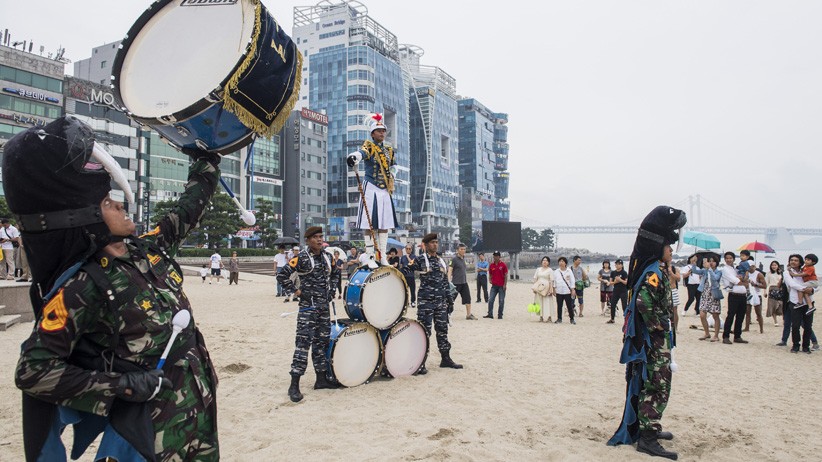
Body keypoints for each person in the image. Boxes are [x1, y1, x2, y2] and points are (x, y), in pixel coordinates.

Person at [7, 116, 220, 460]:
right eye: (107, 202)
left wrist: (206, 163)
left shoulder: (147, 249)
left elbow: (186, 210)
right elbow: (34, 370)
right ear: (84, 215)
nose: (120, 204)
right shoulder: (84, 285)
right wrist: (124, 386)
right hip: (147, 439)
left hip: (199, 422)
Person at [609, 205, 686, 460]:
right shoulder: (653, 273)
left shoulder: (658, 270)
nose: (671, 250)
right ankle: (648, 438)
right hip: (654, 340)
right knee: (657, 385)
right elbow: (643, 303)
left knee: (654, 383)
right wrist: (660, 327)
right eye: (668, 247)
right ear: (658, 249)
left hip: (657, 338)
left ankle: (649, 427)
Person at [277, 227, 341, 402]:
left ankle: (321, 379)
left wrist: (333, 289)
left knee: (322, 343)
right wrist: (297, 292)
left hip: (323, 308)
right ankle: (294, 384)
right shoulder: (302, 258)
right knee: (303, 344)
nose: (319, 240)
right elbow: (282, 276)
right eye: (315, 237)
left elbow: (336, 273)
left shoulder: (328, 257)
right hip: (308, 309)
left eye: (321, 237)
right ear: (308, 240)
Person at [403, 233, 463, 373]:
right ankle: (419, 363)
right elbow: (406, 270)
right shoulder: (420, 260)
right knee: (424, 332)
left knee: (442, 331)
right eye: (432, 242)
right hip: (426, 302)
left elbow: (445, 283)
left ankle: (445, 359)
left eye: (436, 242)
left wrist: (449, 300)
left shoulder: (441, 261)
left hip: (441, 302)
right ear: (425, 245)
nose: (435, 245)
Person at [346, 113, 398, 267]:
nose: (382, 133)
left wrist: (392, 175)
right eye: (379, 130)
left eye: (384, 130)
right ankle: (369, 256)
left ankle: (382, 256)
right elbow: (362, 153)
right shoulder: (369, 145)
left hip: (385, 189)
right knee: (369, 224)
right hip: (371, 187)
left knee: (384, 224)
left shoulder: (389, 149)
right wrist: (354, 157)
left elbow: (394, 165)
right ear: (373, 133)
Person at [783, 254, 816, 353]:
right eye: (791, 260)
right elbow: (792, 284)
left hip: (809, 302)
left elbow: (815, 283)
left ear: (800, 262)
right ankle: (795, 345)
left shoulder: (806, 270)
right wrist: (805, 289)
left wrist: (813, 290)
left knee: (808, 326)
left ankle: (806, 346)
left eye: (796, 260)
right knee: (796, 325)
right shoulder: (787, 272)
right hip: (795, 302)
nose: (793, 262)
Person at [691, 256, 724, 342]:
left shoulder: (718, 272)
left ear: (717, 263)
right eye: (709, 261)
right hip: (705, 294)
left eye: (713, 261)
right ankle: (707, 333)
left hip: (714, 294)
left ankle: (716, 335)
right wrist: (694, 263)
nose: (711, 263)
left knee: (715, 315)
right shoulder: (705, 271)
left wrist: (709, 269)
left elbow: (715, 279)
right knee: (702, 314)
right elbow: (695, 271)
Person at [720, 251, 750, 345]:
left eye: (730, 258)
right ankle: (726, 336)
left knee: (740, 316)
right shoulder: (725, 269)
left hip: (742, 295)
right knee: (730, 316)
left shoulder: (736, 268)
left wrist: (744, 280)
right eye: (727, 258)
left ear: (733, 259)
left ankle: (737, 336)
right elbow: (736, 280)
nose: (729, 260)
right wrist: (743, 281)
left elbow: (745, 278)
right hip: (734, 295)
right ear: (725, 260)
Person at [449, 243, 476, 320]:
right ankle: (447, 314)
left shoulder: (463, 258)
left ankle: (468, 315)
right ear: (457, 250)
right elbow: (450, 270)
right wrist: (448, 281)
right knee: (451, 299)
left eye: (464, 249)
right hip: (456, 283)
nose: (463, 251)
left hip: (464, 282)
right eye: (461, 249)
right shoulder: (454, 259)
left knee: (468, 299)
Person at [485, 251, 508, 319]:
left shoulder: (503, 265)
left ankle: (500, 315)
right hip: (494, 286)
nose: (495, 257)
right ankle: (490, 314)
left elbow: (506, 275)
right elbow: (490, 273)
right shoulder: (491, 265)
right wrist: (490, 279)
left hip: (501, 286)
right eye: (494, 256)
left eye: (497, 256)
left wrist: (505, 285)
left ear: (499, 257)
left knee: (501, 301)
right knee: (491, 300)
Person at [554, 257, 576, 324]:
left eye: (563, 261)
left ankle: (572, 319)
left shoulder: (569, 271)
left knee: (569, 306)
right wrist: (554, 289)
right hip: (559, 291)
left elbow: (572, 280)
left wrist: (573, 289)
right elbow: (554, 281)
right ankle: (559, 318)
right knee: (559, 306)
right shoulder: (556, 271)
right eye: (560, 261)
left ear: (565, 263)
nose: (561, 262)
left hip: (567, 291)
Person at [744, 262, 765, 333]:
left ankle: (761, 329)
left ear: (754, 267)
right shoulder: (746, 273)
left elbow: (765, 285)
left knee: (758, 313)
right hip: (748, 294)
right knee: (747, 312)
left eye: (751, 266)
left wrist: (755, 284)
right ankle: (747, 328)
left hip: (757, 294)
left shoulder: (759, 274)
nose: (749, 268)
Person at [532, 256, 555, 323]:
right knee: (539, 302)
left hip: (547, 288)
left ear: (548, 262)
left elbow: (551, 280)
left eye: (546, 260)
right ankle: (541, 316)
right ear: (541, 262)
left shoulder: (550, 270)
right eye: (543, 260)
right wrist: (534, 288)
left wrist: (551, 289)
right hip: (539, 288)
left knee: (547, 302)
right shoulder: (538, 269)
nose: (545, 261)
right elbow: (535, 278)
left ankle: (549, 317)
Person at [608, 259, 629, 324]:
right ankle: (612, 319)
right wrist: (615, 282)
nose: (617, 265)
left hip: (623, 290)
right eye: (616, 264)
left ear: (622, 265)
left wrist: (620, 280)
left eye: (619, 264)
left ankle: (626, 320)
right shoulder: (613, 273)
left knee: (624, 305)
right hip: (616, 290)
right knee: (613, 304)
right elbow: (610, 282)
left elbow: (626, 282)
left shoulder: (624, 273)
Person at [764, 261, 783, 327]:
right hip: (772, 289)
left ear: (778, 266)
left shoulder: (781, 273)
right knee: (773, 305)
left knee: (782, 305)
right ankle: (775, 321)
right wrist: (765, 292)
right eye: (772, 265)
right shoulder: (768, 273)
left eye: (775, 265)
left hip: (780, 289)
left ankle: (784, 320)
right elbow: (766, 283)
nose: (774, 266)